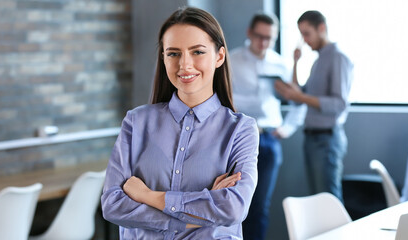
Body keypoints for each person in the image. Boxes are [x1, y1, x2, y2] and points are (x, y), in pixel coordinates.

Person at [101, 7, 259, 239]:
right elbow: (112, 205)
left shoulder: (240, 129)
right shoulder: (136, 122)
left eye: (197, 52)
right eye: (173, 53)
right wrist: (195, 218)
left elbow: (233, 207)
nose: (184, 65)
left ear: (219, 56)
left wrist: (147, 196)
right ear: (163, 58)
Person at [228, 12, 305, 240]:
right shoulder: (231, 61)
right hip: (237, 139)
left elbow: (298, 103)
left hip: (268, 140)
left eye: (269, 38)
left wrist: (287, 128)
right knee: (234, 204)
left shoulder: (280, 65)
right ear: (249, 33)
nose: (263, 43)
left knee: (260, 205)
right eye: (259, 36)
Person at [275, 10, 353, 201]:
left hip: (326, 141)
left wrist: (300, 97)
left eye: (307, 33)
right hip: (312, 139)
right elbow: (300, 95)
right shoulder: (319, 60)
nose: (304, 40)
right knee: (319, 201)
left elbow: (339, 103)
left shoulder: (337, 57)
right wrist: (295, 63)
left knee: (328, 201)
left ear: (322, 28)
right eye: (301, 34)